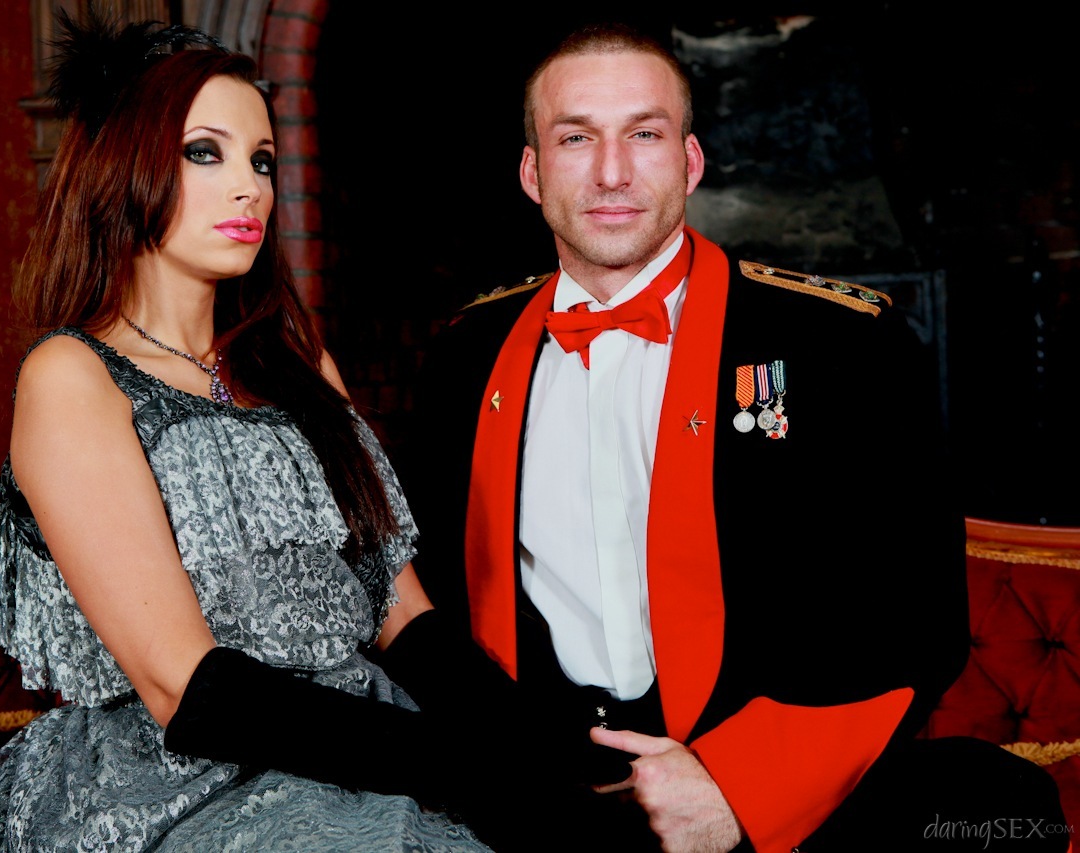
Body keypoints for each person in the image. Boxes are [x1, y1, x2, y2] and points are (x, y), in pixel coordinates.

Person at [402, 22, 1069, 853]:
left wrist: (736, 786)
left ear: (689, 162)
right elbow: (428, 598)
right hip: (550, 788)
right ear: (533, 172)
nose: (612, 172)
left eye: (644, 134)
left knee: (1002, 803)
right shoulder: (466, 355)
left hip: (769, 777)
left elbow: (913, 614)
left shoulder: (842, 344)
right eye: (576, 138)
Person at [0, 13, 507, 852]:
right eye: (206, 152)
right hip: (184, 766)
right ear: (125, 167)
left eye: (262, 160)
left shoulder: (299, 360)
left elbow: (402, 612)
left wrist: (529, 747)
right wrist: (464, 765)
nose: (251, 188)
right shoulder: (72, 375)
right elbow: (185, 688)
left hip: (366, 725)